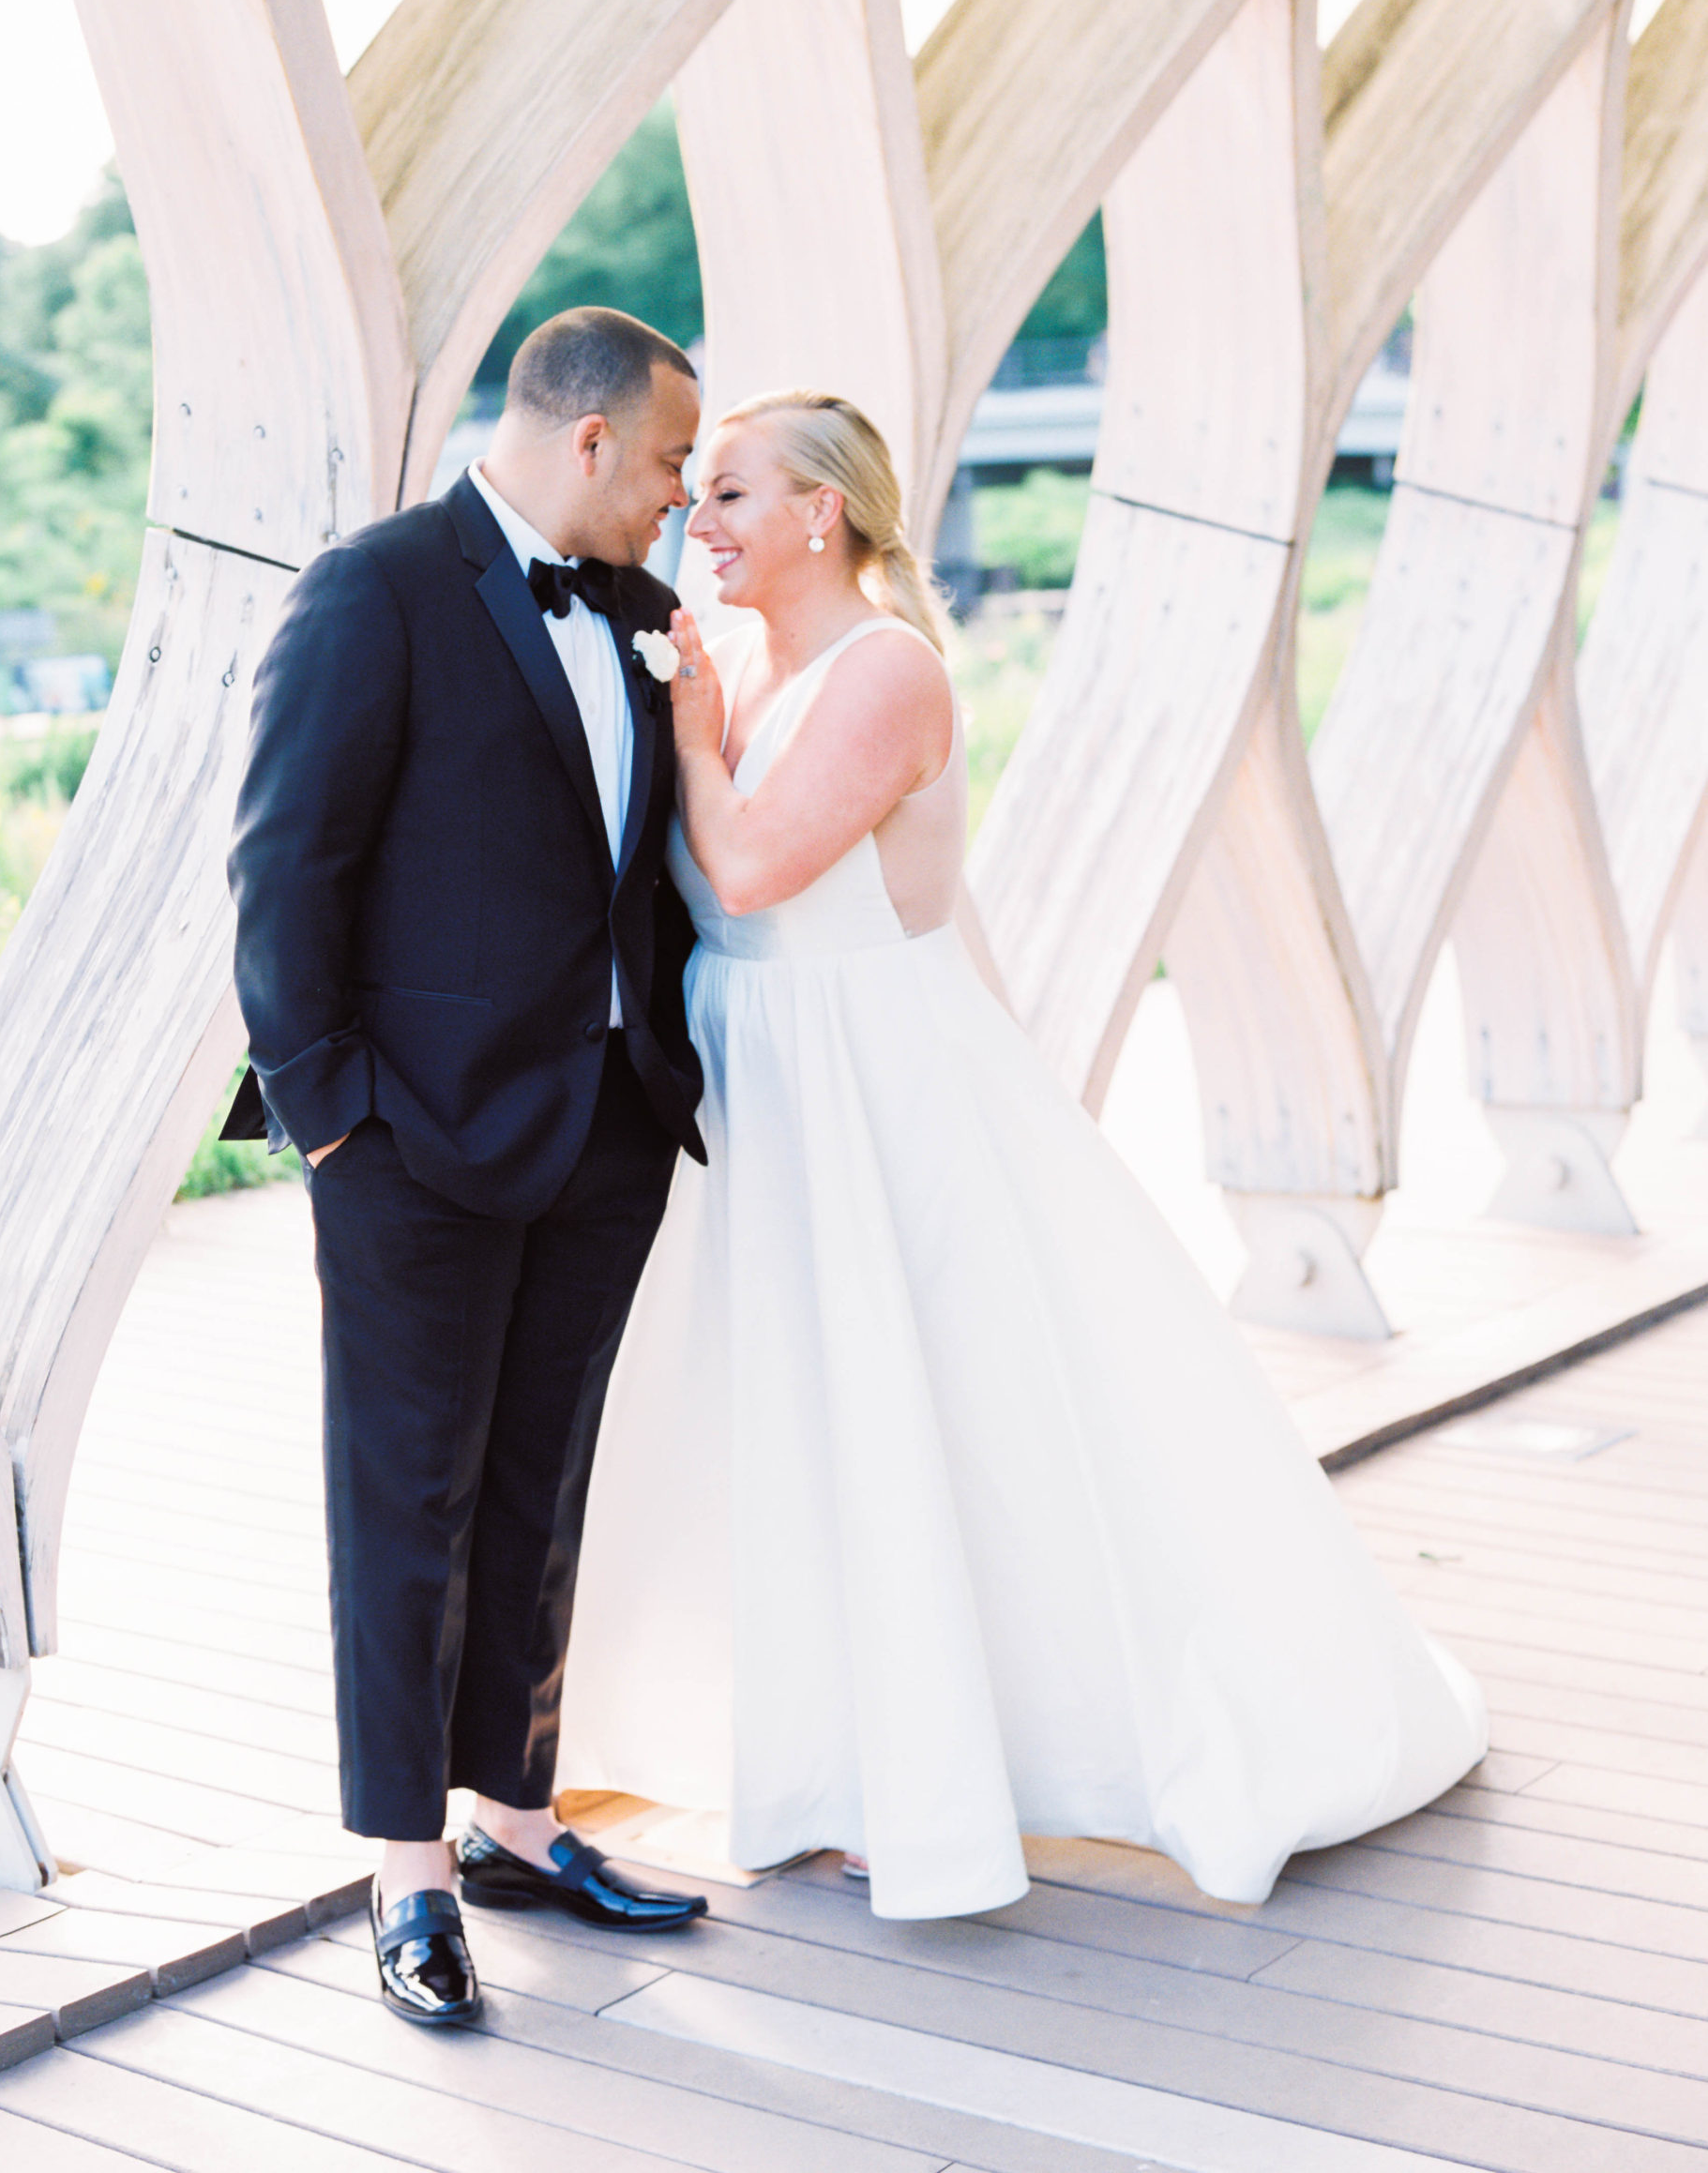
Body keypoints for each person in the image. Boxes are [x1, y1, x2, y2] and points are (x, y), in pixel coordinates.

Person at [554, 389, 1489, 1922]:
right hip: (761, 1074)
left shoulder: (884, 668)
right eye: (694, 491)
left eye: (728, 494)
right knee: (795, 1402)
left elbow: (744, 860)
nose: (694, 522)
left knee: (918, 1398)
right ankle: (822, 1745)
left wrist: (680, 724)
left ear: (818, 515)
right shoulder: (746, 661)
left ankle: (929, 1762)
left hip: (866, 1071)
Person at [225, 308, 717, 2026]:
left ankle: (517, 1821)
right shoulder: (377, 589)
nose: (676, 498)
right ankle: (407, 1874)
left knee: (540, 1485)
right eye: (666, 462)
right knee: (406, 1500)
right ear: (586, 440)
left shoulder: (649, 617)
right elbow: (286, 865)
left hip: (602, 1124)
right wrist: (333, 1114)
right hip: (409, 1143)